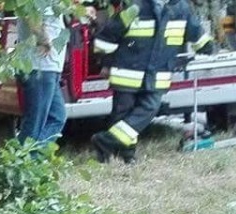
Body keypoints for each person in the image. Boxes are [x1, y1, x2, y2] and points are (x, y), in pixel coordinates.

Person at [89, 0, 212, 162]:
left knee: (149, 109)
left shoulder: (181, 8)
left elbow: (195, 32)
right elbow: (108, 35)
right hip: (127, 72)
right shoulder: (135, 6)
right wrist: (105, 62)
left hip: (157, 74)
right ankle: (126, 155)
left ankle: (107, 141)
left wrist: (206, 46)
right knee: (122, 114)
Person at [17, 0, 71, 145]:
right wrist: (45, 41)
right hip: (39, 68)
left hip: (47, 68)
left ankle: (29, 158)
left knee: (57, 117)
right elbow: (32, 18)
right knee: (34, 124)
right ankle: (23, 161)